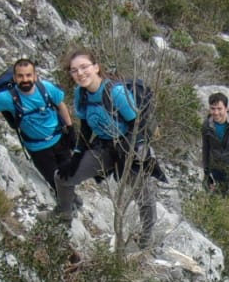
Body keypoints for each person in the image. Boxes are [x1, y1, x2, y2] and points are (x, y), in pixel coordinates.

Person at [57, 48, 157, 244]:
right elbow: (85, 127)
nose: (80, 73)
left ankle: (146, 236)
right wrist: (76, 156)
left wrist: (128, 155)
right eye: (74, 70)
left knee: (142, 195)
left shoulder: (115, 92)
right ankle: (64, 215)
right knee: (62, 177)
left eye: (84, 67)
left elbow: (138, 125)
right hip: (103, 146)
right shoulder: (81, 93)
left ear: (96, 67)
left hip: (130, 146)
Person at [0, 58, 77, 213]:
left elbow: (61, 105)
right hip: (38, 149)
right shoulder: (8, 98)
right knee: (56, 182)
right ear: (15, 78)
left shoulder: (47, 88)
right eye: (21, 76)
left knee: (69, 175)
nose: (25, 80)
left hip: (59, 139)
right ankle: (68, 212)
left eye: (28, 75)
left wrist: (70, 129)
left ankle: (73, 200)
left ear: (35, 76)